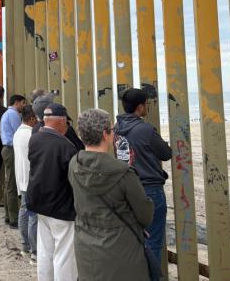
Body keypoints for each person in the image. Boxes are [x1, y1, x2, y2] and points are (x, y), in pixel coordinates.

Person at [69, 108, 154, 281]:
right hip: (121, 246)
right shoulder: (123, 172)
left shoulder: (74, 163)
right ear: (105, 134)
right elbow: (145, 215)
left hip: (85, 241)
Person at [113, 88, 172, 266]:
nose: (147, 107)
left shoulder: (116, 129)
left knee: (133, 238)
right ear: (139, 107)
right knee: (152, 240)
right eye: (146, 104)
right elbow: (165, 153)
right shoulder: (145, 129)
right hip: (150, 189)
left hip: (127, 188)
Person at [27, 103, 78, 281]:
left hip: (40, 203)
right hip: (61, 206)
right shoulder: (66, 147)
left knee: (45, 251)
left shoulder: (35, 139)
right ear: (61, 121)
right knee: (64, 254)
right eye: (67, 123)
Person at [13, 105, 38, 264]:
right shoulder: (31, 135)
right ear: (32, 119)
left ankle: (25, 246)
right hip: (31, 179)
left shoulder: (17, 133)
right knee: (33, 215)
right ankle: (35, 251)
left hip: (21, 178)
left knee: (24, 211)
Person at [0, 94, 27, 228]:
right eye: (23, 102)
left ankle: (8, 215)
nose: (24, 105)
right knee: (12, 184)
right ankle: (13, 218)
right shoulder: (13, 114)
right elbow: (19, 133)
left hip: (7, 149)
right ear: (16, 102)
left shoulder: (7, 113)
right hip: (11, 149)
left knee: (8, 182)